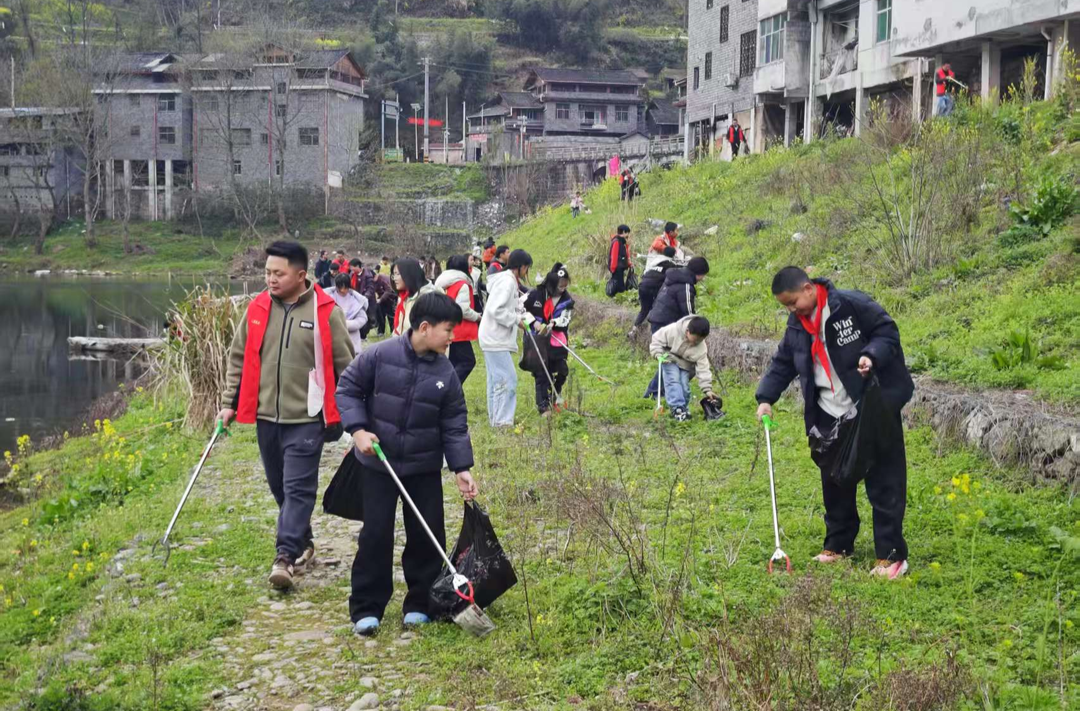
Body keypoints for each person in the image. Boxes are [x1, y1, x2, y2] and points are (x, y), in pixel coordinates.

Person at [754, 267, 914, 579]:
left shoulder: (850, 305)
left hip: (871, 404)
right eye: (785, 306)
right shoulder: (797, 326)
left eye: (792, 302)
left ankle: (891, 555)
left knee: (884, 478)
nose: (791, 310)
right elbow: (783, 362)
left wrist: (871, 355)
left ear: (808, 288)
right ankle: (839, 545)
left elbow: (886, 332)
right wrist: (765, 398)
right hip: (829, 411)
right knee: (834, 480)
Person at [336, 291, 478, 636]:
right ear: (425, 327)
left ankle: (419, 603)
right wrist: (358, 430)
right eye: (448, 330)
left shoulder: (446, 372)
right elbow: (348, 388)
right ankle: (367, 606)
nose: (452, 337)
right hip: (378, 465)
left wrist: (461, 468)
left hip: (423, 467)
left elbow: (454, 423)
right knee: (375, 534)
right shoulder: (380, 355)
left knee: (427, 535)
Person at [218, 241, 355, 590]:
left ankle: (284, 557)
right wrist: (229, 402)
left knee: (297, 489)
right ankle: (302, 539)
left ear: (301, 274)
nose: (271, 279)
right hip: (267, 416)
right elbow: (238, 358)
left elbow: (346, 366)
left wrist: (354, 412)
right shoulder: (258, 308)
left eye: (278, 273)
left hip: (307, 419)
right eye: (267, 273)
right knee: (280, 488)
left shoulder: (325, 312)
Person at [479, 249, 531, 427]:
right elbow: (497, 310)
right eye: (527, 268)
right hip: (495, 338)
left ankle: (496, 421)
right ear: (521, 266)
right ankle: (502, 422)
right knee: (507, 379)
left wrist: (524, 318)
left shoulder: (508, 281)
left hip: (492, 337)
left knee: (496, 381)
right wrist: (517, 321)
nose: (527, 272)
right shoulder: (507, 282)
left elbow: (510, 307)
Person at [645, 256, 710, 398]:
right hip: (666, 323)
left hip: (657, 318)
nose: (703, 278)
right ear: (698, 273)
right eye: (703, 275)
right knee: (669, 360)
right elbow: (689, 313)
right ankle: (655, 392)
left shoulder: (674, 277)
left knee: (668, 360)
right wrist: (697, 327)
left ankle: (659, 392)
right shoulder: (685, 285)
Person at [521, 263, 574, 416]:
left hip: (557, 340)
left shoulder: (567, 299)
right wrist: (533, 322)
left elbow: (566, 318)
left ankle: (553, 396)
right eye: (560, 285)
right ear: (551, 284)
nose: (563, 288)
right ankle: (543, 406)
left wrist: (554, 323)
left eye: (565, 285)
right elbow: (521, 311)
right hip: (537, 340)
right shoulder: (535, 295)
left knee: (562, 370)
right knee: (541, 372)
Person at [650, 315, 718, 422]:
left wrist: (707, 389)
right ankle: (677, 408)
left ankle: (683, 409)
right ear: (687, 331)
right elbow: (657, 339)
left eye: (698, 341)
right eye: (694, 340)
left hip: (685, 364)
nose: (694, 343)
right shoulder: (673, 330)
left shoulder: (701, 348)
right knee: (673, 380)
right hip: (668, 358)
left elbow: (703, 369)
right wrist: (657, 353)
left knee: (684, 386)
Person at [435, 255, 481, 385]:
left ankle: (446, 387)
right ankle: (450, 388)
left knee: (453, 362)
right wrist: (477, 316)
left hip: (445, 325)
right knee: (468, 361)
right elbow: (463, 310)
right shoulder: (462, 285)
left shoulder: (442, 284)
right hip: (458, 329)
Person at [630, 246, 678, 337]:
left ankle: (634, 330)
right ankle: (652, 332)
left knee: (644, 309)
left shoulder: (655, 262)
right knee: (656, 308)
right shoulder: (671, 265)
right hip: (654, 288)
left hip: (643, 286)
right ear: (673, 255)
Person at [392, 258, 439, 336]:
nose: (394, 278)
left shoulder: (428, 298)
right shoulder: (403, 296)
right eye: (394, 274)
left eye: (398, 274)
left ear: (410, 274)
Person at [331, 273, 369, 353]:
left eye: (345, 288)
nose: (342, 290)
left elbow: (362, 318)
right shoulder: (329, 298)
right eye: (340, 287)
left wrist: (346, 324)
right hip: (333, 336)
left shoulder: (356, 300)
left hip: (352, 337)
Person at [607, 225, 632, 297]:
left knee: (619, 285)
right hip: (617, 268)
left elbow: (626, 254)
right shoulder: (617, 241)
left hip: (620, 267)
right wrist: (613, 268)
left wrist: (629, 264)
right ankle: (616, 297)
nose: (628, 235)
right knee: (619, 286)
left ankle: (617, 297)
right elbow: (614, 256)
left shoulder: (622, 242)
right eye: (627, 233)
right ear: (623, 232)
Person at [373, 264, 396, 337]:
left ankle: (393, 331)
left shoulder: (383, 279)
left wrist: (381, 299)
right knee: (380, 316)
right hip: (381, 299)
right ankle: (380, 332)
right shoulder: (372, 280)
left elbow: (389, 290)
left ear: (376, 276)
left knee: (391, 316)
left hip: (391, 298)